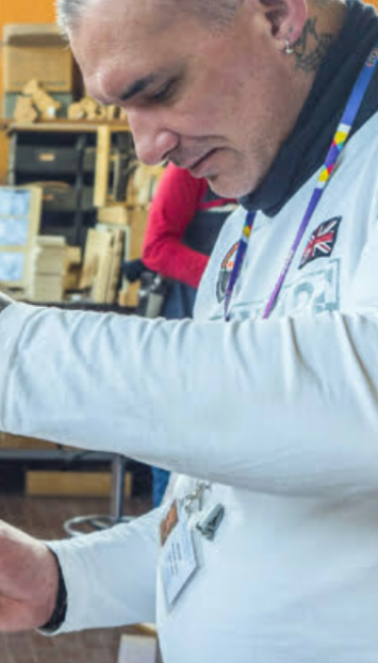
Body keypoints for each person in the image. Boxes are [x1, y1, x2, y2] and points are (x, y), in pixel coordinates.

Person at [0, 0, 378, 660]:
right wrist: (67, 579)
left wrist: (11, 348)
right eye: (122, 109)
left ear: (279, 13)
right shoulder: (249, 226)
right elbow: (223, 506)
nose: (145, 148)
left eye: (159, 89)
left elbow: (352, 405)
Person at [140, 164, 237, 504]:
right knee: (173, 452)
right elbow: (155, 248)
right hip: (187, 332)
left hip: (238, 337)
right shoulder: (186, 172)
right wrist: (225, 280)